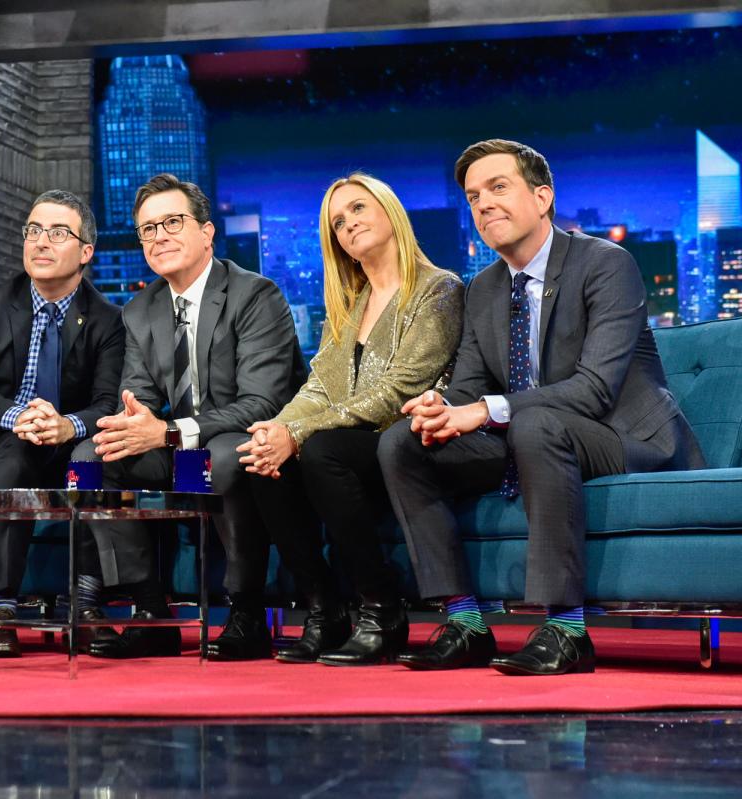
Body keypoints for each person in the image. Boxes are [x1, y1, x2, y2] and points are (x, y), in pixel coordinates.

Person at [379, 139, 705, 675]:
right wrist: (440, 407)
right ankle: (464, 623)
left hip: (623, 436)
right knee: (403, 443)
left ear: (543, 197)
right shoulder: (481, 288)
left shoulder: (605, 264)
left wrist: (483, 411)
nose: (483, 204)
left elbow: (595, 388)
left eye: (498, 187)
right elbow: (468, 387)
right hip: (533, 434)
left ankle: (568, 631)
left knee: (534, 423)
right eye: (473, 196)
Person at [71, 173, 307, 660]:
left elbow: (264, 400)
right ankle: (150, 611)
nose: (159, 237)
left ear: (206, 232)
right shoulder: (139, 310)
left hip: (245, 440)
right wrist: (134, 419)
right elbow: (136, 393)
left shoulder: (254, 295)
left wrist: (171, 431)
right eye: (148, 229)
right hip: (176, 447)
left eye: (172, 222)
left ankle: (245, 612)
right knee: (91, 455)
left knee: (220, 455)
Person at [238, 173, 464, 666]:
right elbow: (319, 386)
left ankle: (382, 609)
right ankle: (325, 608)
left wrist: (297, 434)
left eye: (358, 209)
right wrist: (277, 431)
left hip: (405, 442)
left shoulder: (438, 289)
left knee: (319, 450)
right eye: (339, 222)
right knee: (258, 459)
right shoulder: (349, 304)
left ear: (390, 212)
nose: (349, 225)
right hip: (348, 446)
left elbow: (399, 390)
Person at [0, 190, 125, 657]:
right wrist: (18, 416)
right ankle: (0, 608)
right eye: (33, 230)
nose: (40, 242)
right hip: (15, 433)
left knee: (92, 462)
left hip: (73, 437)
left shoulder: (108, 319)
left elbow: (108, 400)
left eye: (57, 233)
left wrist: (68, 426)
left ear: (86, 251)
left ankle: (84, 606)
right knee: (8, 462)